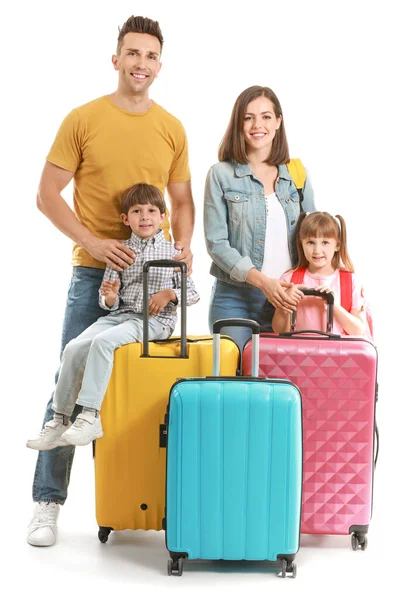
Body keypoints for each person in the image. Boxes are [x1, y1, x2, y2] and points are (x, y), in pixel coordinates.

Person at [28, 15, 195, 547]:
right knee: (70, 372)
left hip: (154, 278)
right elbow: (47, 195)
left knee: (140, 384)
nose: (141, 64)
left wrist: (184, 248)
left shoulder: (171, 127)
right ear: (116, 58)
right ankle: (47, 505)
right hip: (94, 273)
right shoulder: (83, 119)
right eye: (132, 53)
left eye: (150, 56)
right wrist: (96, 244)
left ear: (159, 65)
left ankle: (142, 498)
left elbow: (184, 201)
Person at [27, 183, 199, 450]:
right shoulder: (119, 251)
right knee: (74, 347)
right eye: (137, 211)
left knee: (104, 343)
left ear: (163, 217)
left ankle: (90, 415)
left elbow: (191, 293)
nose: (145, 216)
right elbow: (108, 301)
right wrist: (110, 297)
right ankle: (60, 419)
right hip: (120, 315)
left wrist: (167, 294)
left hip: (153, 321)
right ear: (125, 218)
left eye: (152, 210)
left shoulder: (174, 252)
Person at [204, 85, 316, 351]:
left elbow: (314, 236)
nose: (258, 124)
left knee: (282, 382)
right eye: (248, 117)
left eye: (266, 116)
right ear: (238, 123)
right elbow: (216, 243)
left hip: (288, 298)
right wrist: (264, 283)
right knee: (236, 377)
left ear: (278, 121)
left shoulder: (296, 174)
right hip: (234, 298)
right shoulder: (220, 175)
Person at [271, 211, 368, 336]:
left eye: (325, 243)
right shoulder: (288, 279)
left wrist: (334, 305)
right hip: (297, 354)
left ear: (337, 245)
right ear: (301, 244)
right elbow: (278, 330)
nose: (317, 250)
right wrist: (284, 304)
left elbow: (358, 331)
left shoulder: (350, 281)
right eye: (310, 242)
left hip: (338, 354)